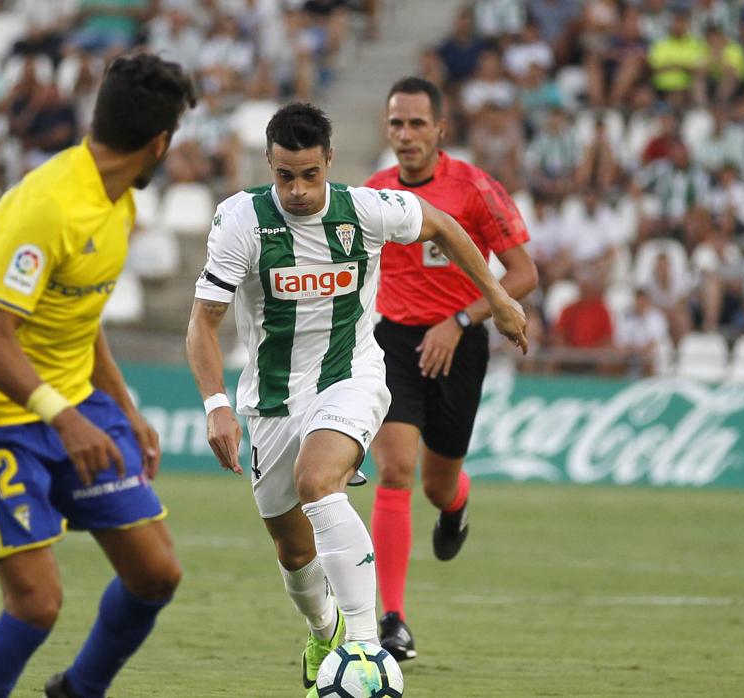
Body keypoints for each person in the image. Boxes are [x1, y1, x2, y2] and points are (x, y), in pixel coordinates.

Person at [186, 103, 528, 691]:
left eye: (309, 175)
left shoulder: (366, 210)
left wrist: (496, 299)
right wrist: (217, 403)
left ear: (329, 163)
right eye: (284, 175)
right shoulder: (240, 221)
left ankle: (367, 650)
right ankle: (325, 631)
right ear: (269, 164)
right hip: (270, 401)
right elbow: (203, 322)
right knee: (294, 552)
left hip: (353, 379)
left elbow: (444, 225)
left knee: (320, 479)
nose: (296, 190)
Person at [0, 54, 196, 698]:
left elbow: (80, 315)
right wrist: (66, 418)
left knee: (155, 573)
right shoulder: (44, 206)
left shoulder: (119, 202)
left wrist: (123, 407)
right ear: (159, 144)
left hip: (74, 400)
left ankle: (79, 690)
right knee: (36, 605)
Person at [363, 77, 538, 660]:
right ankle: (391, 621)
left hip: (459, 344)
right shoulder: (373, 193)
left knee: (436, 483)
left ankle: (456, 505)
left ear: (440, 129)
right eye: (396, 124)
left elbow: (522, 275)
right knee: (394, 470)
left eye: (416, 123)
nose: (405, 135)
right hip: (391, 343)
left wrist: (459, 322)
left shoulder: (474, 190)